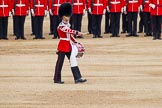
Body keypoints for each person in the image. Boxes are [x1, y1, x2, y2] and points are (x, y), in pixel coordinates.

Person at [54, 2, 87, 84]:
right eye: (66, 16)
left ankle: (77, 78)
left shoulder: (67, 24)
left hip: (68, 45)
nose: (68, 17)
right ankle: (56, 79)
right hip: (62, 45)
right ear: (62, 16)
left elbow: (70, 35)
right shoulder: (61, 25)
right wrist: (77, 32)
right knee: (60, 63)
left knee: (73, 60)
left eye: (68, 15)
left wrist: (76, 41)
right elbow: (68, 31)